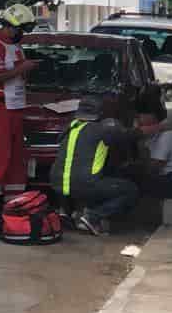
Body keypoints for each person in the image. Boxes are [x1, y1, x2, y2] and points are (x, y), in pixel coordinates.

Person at [0, 4, 41, 216]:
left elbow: (16, 75)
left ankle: (14, 200)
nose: (21, 34)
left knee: (16, 156)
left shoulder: (15, 47)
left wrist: (27, 71)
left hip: (15, 107)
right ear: (11, 27)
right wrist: (22, 68)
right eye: (20, 30)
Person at [50, 96, 142, 236]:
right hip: (83, 185)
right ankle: (92, 217)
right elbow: (131, 135)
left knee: (83, 177)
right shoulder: (103, 129)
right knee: (130, 190)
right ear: (100, 113)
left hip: (58, 184)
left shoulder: (71, 126)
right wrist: (158, 127)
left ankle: (67, 212)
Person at [136, 111, 172, 198]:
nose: (139, 130)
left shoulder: (165, 137)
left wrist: (141, 145)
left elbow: (152, 169)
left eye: (140, 126)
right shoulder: (164, 128)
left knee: (139, 183)